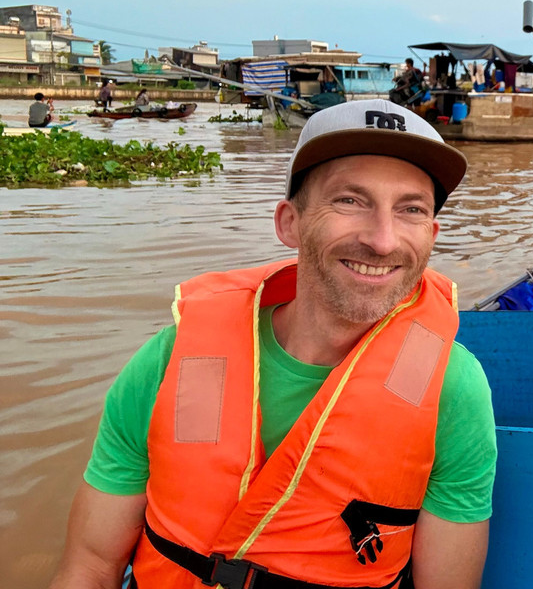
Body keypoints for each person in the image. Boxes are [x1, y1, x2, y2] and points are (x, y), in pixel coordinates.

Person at [50, 99, 497, 589]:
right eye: (350, 200)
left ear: (431, 235)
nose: (384, 240)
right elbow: (92, 566)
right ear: (290, 222)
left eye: (410, 209)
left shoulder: (453, 388)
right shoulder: (170, 361)